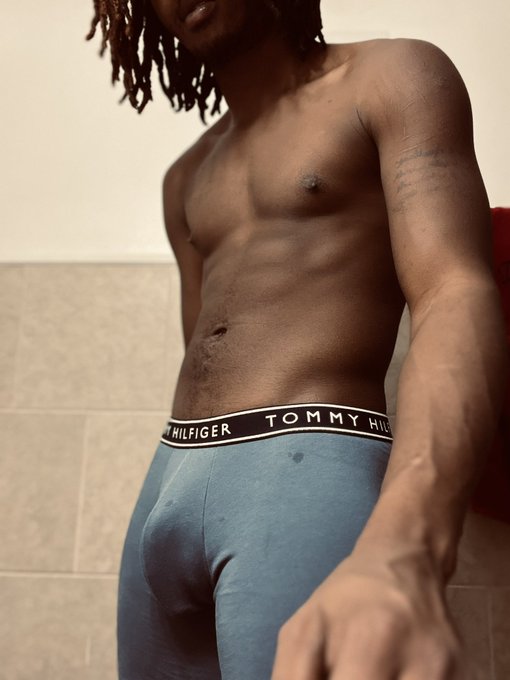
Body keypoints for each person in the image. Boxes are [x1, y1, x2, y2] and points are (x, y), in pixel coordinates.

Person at [87, 1, 509, 678]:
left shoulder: (393, 76)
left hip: (305, 471)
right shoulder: (185, 178)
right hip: (168, 478)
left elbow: (453, 291)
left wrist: (408, 547)